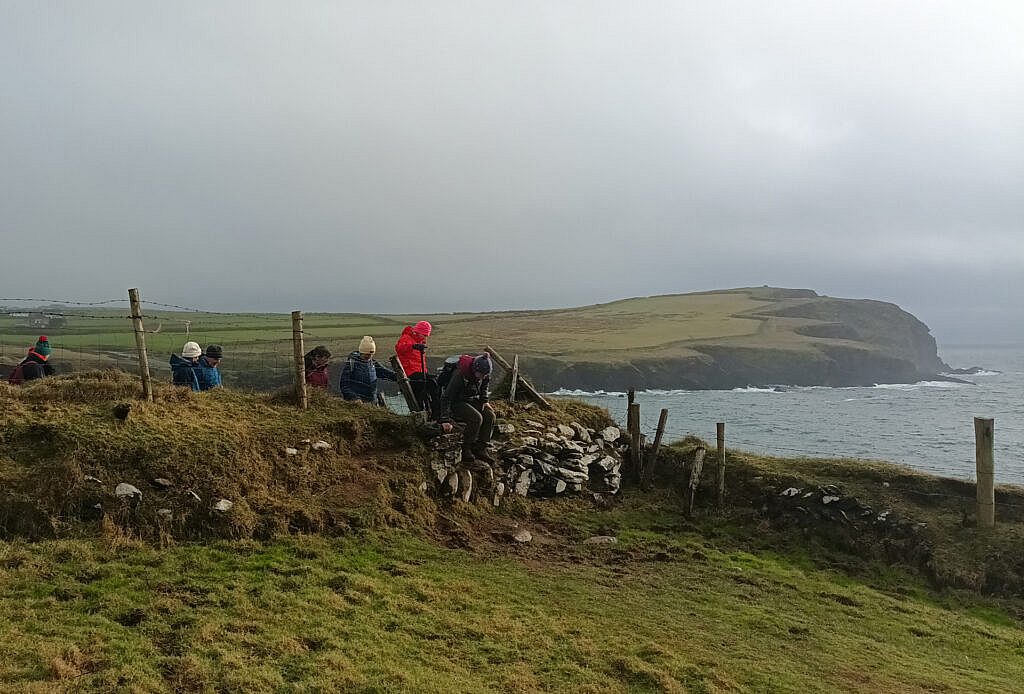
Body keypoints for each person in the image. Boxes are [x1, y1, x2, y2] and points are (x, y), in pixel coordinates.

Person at [439, 353, 495, 462]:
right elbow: (446, 397)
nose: (483, 377)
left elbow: (484, 386)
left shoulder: (484, 373)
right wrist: (445, 419)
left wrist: (484, 401)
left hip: (471, 398)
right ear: (474, 369)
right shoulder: (460, 375)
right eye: (481, 374)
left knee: (489, 415)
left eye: (485, 375)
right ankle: (467, 448)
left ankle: (481, 448)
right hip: (456, 402)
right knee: (476, 418)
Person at [395, 320, 439, 416]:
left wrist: (426, 373)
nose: (425, 337)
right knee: (432, 383)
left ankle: (429, 413)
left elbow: (420, 362)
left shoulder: (419, 341)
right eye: (424, 334)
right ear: (418, 332)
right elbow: (399, 348)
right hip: (410, 374)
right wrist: (413, 346)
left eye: (426, 335)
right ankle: (437, 414)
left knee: (434, 382)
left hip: (419, 373)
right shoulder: (406, 338)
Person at [339, 336, 396, 404]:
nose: (369, 357)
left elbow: (385, 373)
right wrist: (354, 398)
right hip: (357, 404)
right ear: (361, 352)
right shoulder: (352, 363)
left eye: (371, 354)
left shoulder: (373, 363)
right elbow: (344, 385)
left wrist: (400, 377)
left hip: (372, 402)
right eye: (367, 354)